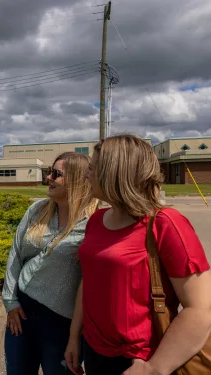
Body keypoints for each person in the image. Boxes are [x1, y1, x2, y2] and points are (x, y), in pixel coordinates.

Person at [65, 134, 211, 375]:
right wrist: (74, 337)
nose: (85, 174)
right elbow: (88, 281)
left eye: (92, 168)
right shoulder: (96, 220)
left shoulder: (166, 223)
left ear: (115, 173)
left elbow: (200, 310)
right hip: (93, 351)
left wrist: (154, 368)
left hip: (140, 361)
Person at [2, 152, 99, 375]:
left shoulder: (94, 222)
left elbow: (91, 280)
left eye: (56, 174)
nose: (48, 178)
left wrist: (76, 335)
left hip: (63, 323)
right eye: (49, 172)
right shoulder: (36, 210)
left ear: (76, 180)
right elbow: (16, 253)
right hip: (22, 313)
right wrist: (10, 300)